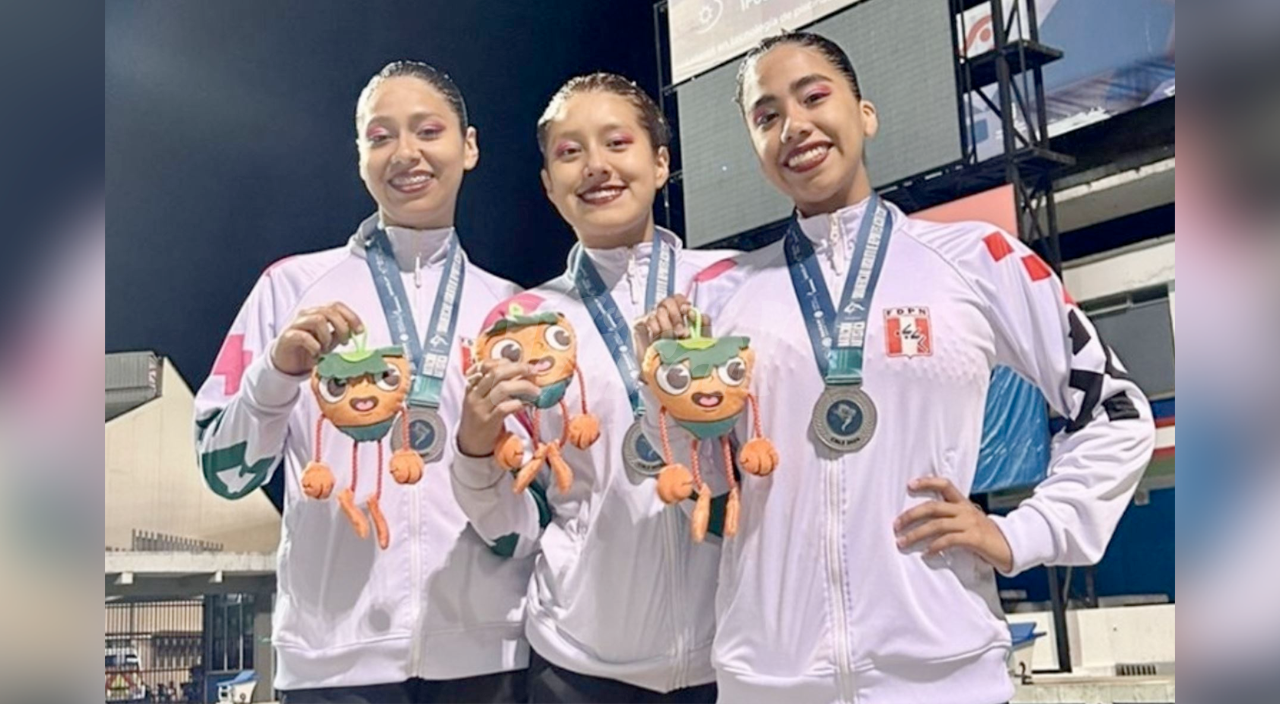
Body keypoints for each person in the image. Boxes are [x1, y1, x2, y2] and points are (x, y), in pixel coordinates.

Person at [639, 32, 1156, 703]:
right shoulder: (719, 294)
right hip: (770, 680)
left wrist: (1020, 533)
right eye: (767, 117)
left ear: (866, 114)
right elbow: (707, 481)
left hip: (945, 679)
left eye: (813, 96)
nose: (794, 126)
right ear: (757, 148)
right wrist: (661, 390)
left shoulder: (978, 259)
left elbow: (1115, 411)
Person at [193, 60, 531, 703]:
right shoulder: (290, 289)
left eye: (427, 131)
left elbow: (533, 500)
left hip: (488, 655)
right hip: (333, 666)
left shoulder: (510, 310)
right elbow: (223, 472)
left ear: (469, 147)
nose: (405, 153)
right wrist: (277, 374)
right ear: (359, 157)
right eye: (380, 136)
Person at [451, 73, 733, 703]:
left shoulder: (731, 289)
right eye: (570, 152)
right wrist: (474, 448)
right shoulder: (522, 324)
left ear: (660, 163)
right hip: (576, 665)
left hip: (734, 657)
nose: (596, 166)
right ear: (549, 186)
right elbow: (511, 526)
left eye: (617, 143)